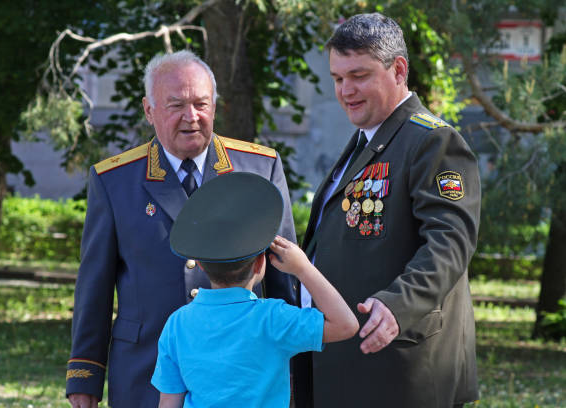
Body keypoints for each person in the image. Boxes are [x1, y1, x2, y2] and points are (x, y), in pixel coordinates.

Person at [65, 50, 298, 408]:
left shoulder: (259, 169)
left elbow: (284, 279)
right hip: (145, 370)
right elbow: (94, 286)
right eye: (176, 105)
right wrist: (85, 375)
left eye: (201, 104)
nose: (191, 117)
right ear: (149, 110)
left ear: (215, 106)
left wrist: (296, 372)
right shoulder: (114, 180)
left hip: (240, 374)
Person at [294, 13, 481, 408]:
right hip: (347, 362)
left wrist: (398, 303)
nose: (345, 90)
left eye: (358, 75)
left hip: (400, 367)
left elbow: (451, 243)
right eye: (338, 78)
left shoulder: (432, 142)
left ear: (398, 70)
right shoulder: (365, 141)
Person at [152, 171, 359, 408]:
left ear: (199, 263)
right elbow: (346, 324)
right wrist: (302, 268)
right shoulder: (274, 318)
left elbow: (168, 403)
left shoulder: (177, 324)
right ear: (261, 263)